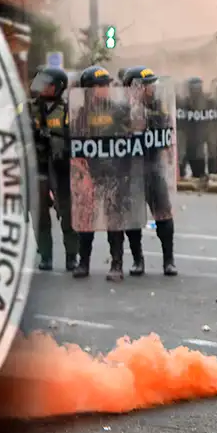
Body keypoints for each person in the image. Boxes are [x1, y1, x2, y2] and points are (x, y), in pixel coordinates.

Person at [70, 65, 134, 281]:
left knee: (114, 220)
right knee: (86, 219)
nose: (103, 90)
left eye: (105, 85)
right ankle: (83, 262)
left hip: (113, 172)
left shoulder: (118, 110)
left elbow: (132, 138)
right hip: (89, 173)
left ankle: (117, 264)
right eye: (98, 86)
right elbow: (75, 144)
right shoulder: (80, 114)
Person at [121, 66, 179, 277]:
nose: (151, 89)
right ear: (135, 87)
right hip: (130, 168)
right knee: (132, 217)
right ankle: (138, 259)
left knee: (163, 213)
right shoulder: (120, 108)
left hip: (153, 166)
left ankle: (169, 260)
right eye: (147, 85)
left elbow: (164, 123)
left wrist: (143, 114)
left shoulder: (157, 105)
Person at [29, 65, 78, 272]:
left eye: (46, 84)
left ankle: (71, 257)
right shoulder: (27, 108)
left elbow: (78, 138)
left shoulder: (69, 110)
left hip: (62, 169)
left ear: (58, 87)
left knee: (68, 215)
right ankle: (46, 256)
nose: (40, 87)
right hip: (37, 169)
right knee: (39, 215)